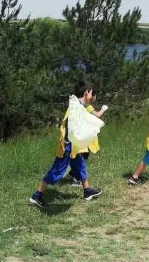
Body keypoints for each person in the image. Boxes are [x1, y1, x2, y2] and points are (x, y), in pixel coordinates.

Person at [29, 80, 105, 208]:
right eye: (91, 93)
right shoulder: (75, 107)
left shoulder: (79, 105)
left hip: (75, 147)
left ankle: (87, 191)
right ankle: (37, 195)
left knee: (80, 166)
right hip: (68, 147)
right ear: (86, 93)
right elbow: (69, 127)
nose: (92, 96)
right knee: (57, 170)